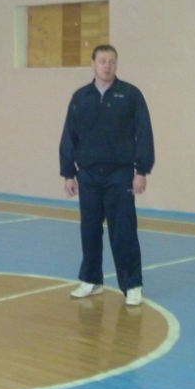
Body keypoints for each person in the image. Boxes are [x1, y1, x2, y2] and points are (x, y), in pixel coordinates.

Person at [59, 45, 154, 307]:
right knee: (89, 230)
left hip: (120, 175)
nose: (107, 65)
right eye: (102, 60)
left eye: (111, 61)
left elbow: (144, 132)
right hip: (88, 175)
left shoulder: (130, 95)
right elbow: (69, 136)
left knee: (123, 231)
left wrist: (141, 170)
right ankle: (91, 280)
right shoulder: (81, 97)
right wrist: (68, 174)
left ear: (116, 64)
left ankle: (132, 285)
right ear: (93, 64)